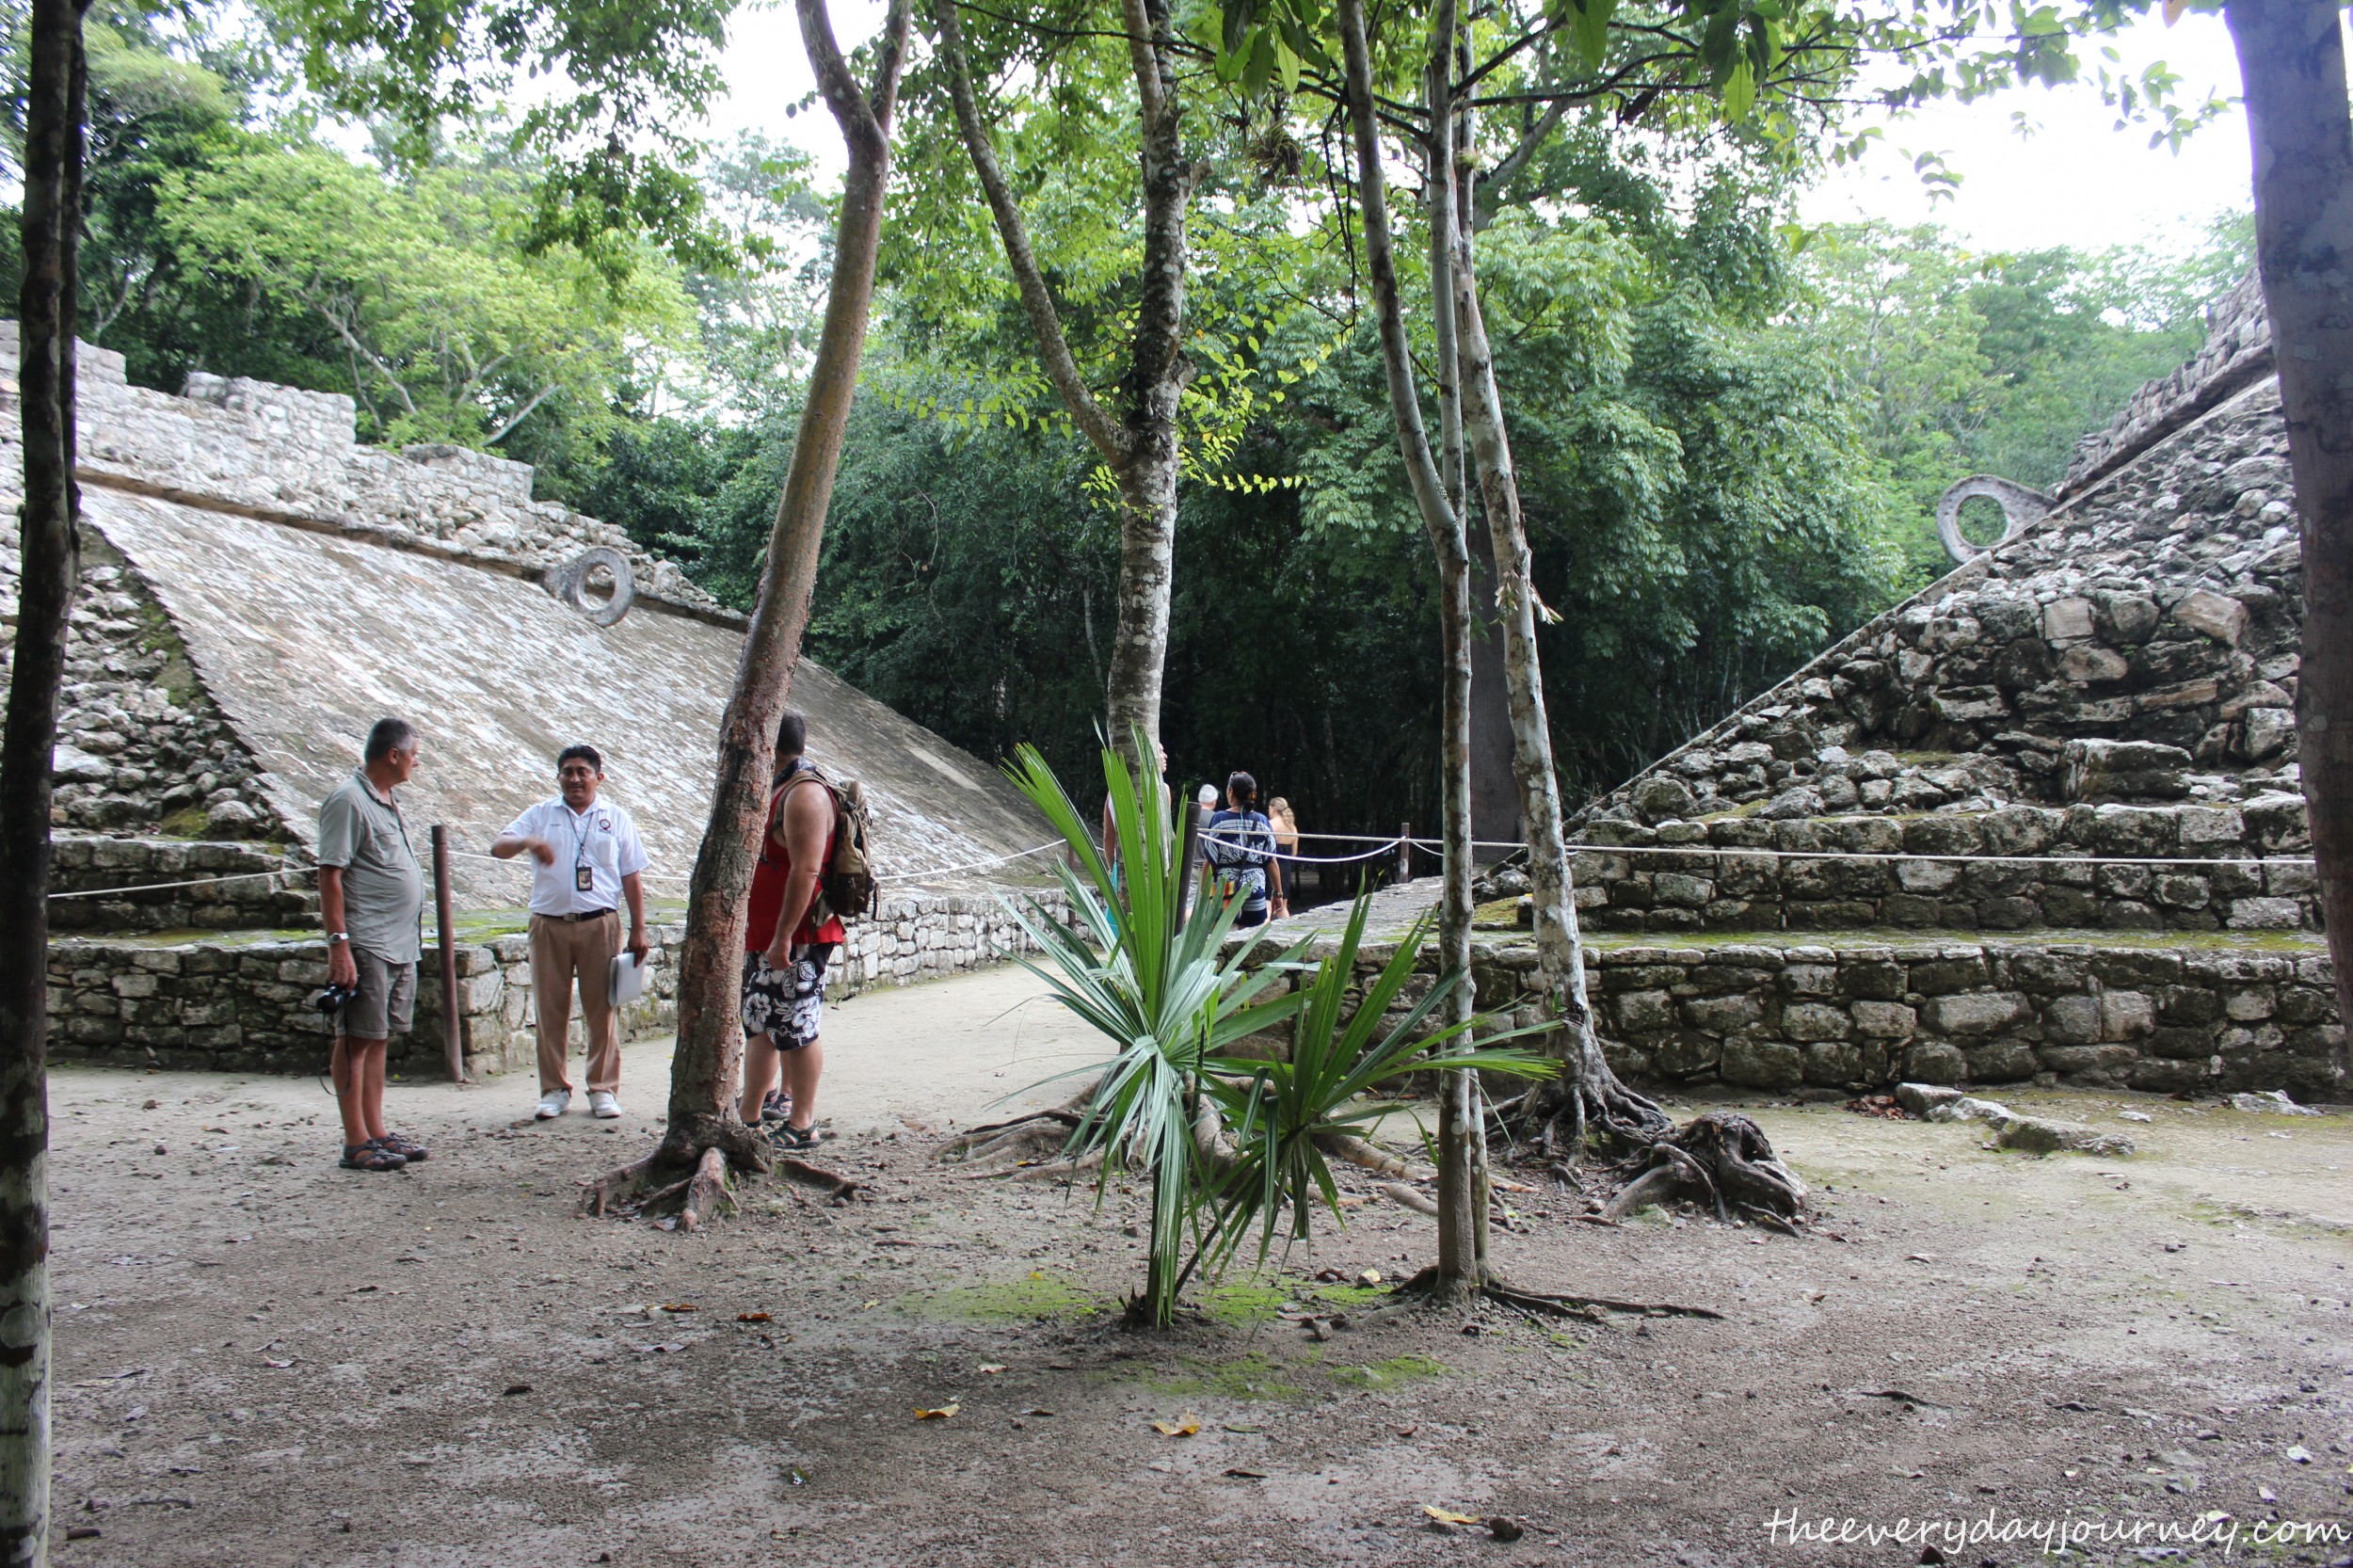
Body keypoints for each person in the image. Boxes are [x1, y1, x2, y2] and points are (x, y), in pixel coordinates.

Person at [493, 744, 651, 1120]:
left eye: (583, 771)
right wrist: (527, 842)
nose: (575, 778)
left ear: (600, 776)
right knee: (551, 1011)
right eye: (567, 771)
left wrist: (638, 928)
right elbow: (498, 847)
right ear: (558, 776)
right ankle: (553, 1090)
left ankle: (602, 1089)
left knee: (602, 1009)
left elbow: (631, 875)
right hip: (549, 925)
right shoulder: (540, 815)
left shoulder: (615, 817)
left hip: (600, 923)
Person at [317, 716, 429, 1173]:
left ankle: (377, 1131)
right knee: (356, 1038)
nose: (417, 762)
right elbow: (330, 873)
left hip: (399, 942)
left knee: (378, 1038)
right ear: (393, 755)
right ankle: (355, 1140)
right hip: (368, 940)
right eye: (415, 754)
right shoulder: (347, 800)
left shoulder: (385, 800)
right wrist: (339, 944)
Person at [738, 712, 845, 1152]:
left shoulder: (804, 794)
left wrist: (783, 937)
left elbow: (806, 870)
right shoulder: (780, 786)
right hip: (766, 934)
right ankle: (750, 1112)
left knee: (798, 1028)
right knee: (759, 1023)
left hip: (798, 936)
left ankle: (803, 1122)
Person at [1199, 771, 1289, 927]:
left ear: (1231, 792)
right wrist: (1278, 893)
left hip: (1225, 891)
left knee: (1221, 937)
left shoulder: (1219, 819)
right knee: (1248, 937)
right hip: (1255, 890)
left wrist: (1203, 893)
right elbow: (1271, 862)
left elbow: (1209, 861)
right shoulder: (1262, 821)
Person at [1268, 795, 1303, 911]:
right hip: (1286, 869)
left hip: (1271, 868)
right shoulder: (1292, 828)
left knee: (1268, 906)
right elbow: (1294, 853)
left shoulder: (1270, 825)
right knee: (1282, 907)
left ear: (1273, 809)